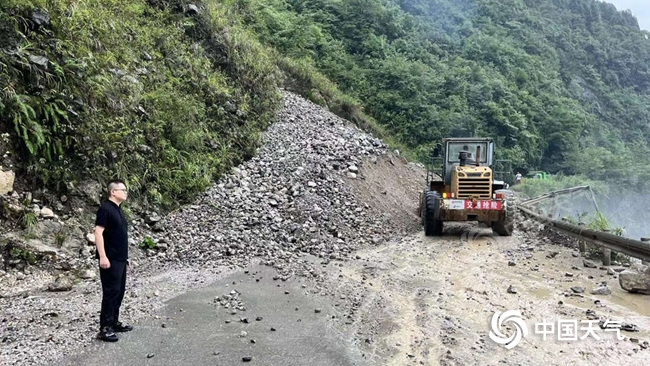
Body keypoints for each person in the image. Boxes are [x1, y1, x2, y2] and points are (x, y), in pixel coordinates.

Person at [94, 179, 133, 342]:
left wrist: (125, 258)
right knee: (110, 292)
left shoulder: (118, 210)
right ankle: (105, 328)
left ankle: (114, 321)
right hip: (110, 258)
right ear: (113, 192)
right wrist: (103, 256)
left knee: (119, 291)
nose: (125, 192)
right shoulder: (105, 209)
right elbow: (98, 232)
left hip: (120, 259)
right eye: (122, 190)